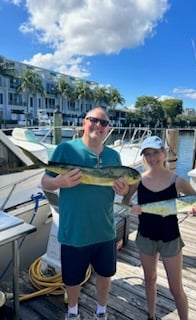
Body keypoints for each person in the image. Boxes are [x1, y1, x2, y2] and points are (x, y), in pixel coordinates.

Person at [41, 107, 130, 320]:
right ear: (84, 122)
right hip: (75, 230)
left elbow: (122, 187)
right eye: (94, 120)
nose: (98, 126)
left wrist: (124, 190)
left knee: (105, 274)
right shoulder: (65, 149)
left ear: (108, 129)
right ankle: (72, 312)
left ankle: (101, 311)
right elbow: (45, 181)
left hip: (105, 230)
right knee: (72, 278)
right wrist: (59, 182)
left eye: (104, 123)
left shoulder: (113, 156)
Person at [122, 135, 196, 320]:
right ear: (143, 157)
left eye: (156, 153)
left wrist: (195, 209)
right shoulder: (138, 181)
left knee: (176, 288)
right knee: (149, 279)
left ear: (164, 154)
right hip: (145, 237)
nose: (152, 158)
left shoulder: (178, 181)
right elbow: (125, 202)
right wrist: (130, 208)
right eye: (148, 154)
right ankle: (151, 315)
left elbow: (195, 200)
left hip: (170, 239)